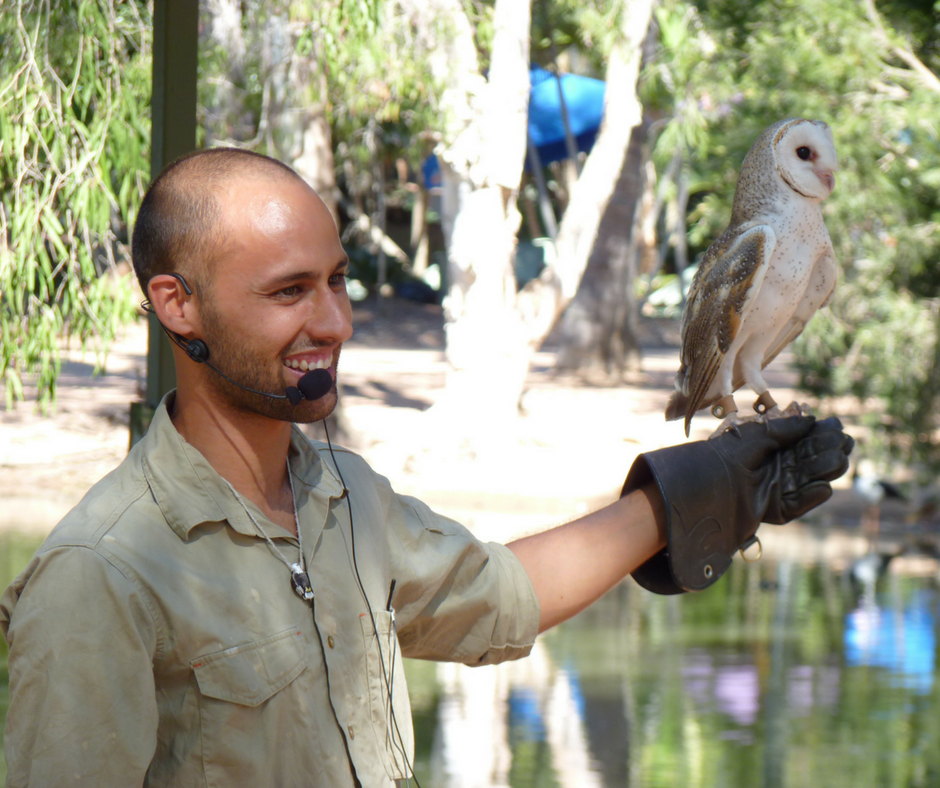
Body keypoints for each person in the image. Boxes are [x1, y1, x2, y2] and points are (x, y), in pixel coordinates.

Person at [0, 149, 853, 787]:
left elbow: (501, 596)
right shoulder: (101, 574)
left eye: (337, 281)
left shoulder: (341, 497)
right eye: (289, 292)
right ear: (176, 303)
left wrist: (703, 487)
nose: (332, 321)